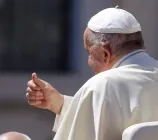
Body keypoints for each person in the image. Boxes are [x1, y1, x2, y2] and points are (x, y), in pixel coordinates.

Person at [26, 7, 158, 140]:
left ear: (105, 53)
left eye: (89, 53)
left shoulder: (101, 86)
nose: (88, 62)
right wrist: (60, 103)